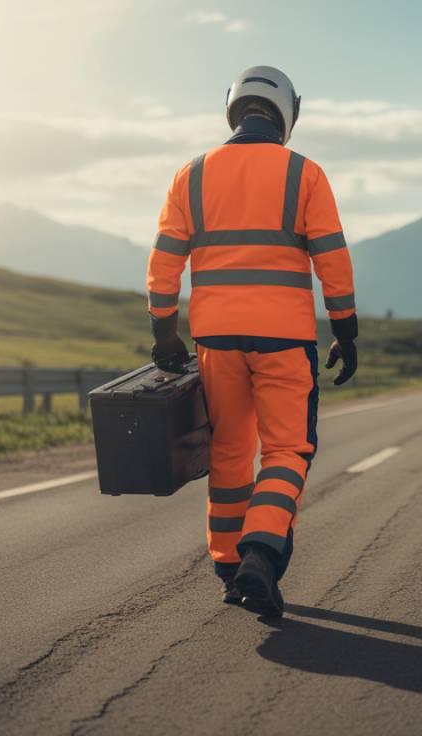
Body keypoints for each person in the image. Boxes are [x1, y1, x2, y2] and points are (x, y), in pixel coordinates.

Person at [146, 66, 358, 618]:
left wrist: (164, 333)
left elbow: (165, 261)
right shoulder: (304, 173)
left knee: (230, 450)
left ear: (233, 108)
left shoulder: (190, 175)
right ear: (287, 113)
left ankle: (225, 566)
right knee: (287, 450)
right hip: (285, 339)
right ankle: (261, 552)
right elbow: (332, 257)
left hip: (217, 339)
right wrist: (346, 330)